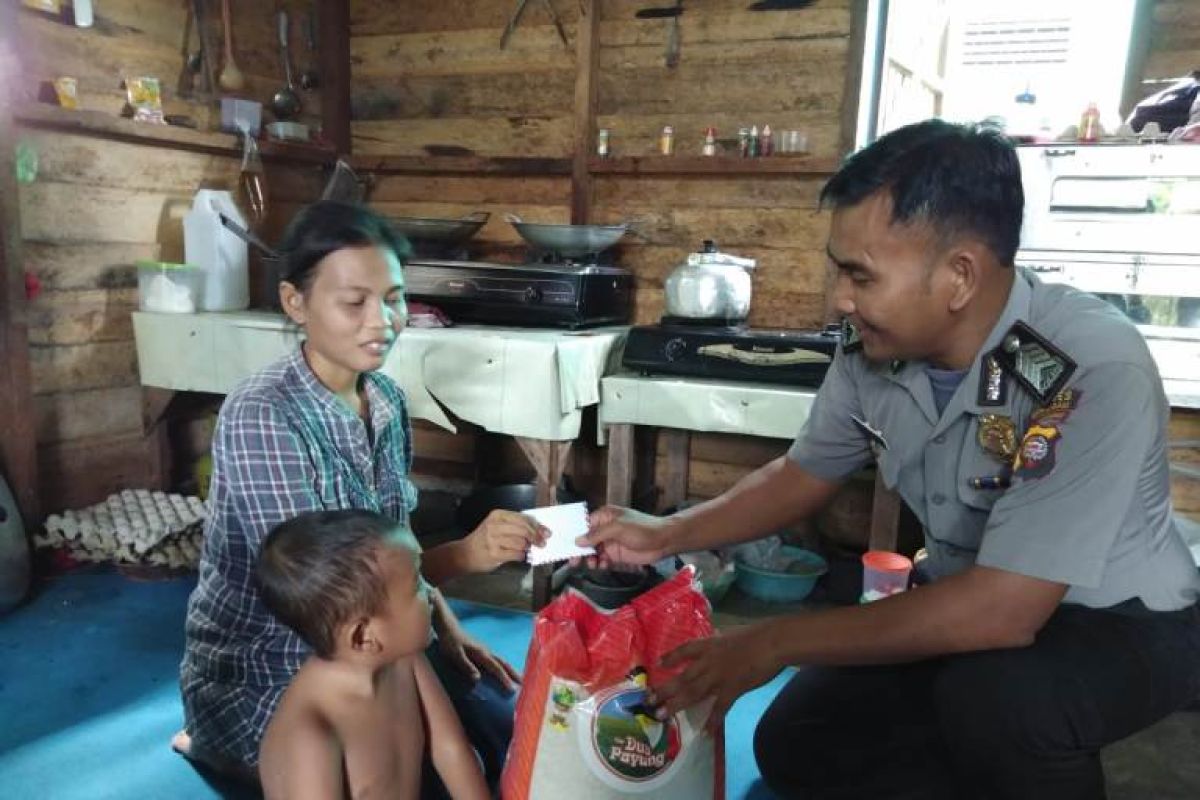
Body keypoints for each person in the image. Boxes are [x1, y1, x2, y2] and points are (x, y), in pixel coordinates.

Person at [580, 120, 1200, 800]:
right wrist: (665, 534)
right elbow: (804, 473)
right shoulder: (872, 345)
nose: (837, 298)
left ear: (959, 275)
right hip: (967, 595)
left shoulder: (1087, 367)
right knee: (797, 739)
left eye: (858, 275)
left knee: (1000, 705)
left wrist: (768, 643)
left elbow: (1003, 613)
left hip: (1121, 618)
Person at [176, 201, 547, 791]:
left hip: (378, 638)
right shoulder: (263, 414)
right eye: (354, 302)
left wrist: (448, 634)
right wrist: (468, 556)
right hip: (275, 663)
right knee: (408, 776)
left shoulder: (388, 402)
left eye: (395, 298)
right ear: (296, 302)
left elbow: (390, 546)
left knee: (512, 732)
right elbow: (332, 597)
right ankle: (214, 743)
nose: (383, 321)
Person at [256, 509, 488, 800]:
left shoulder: (404, 658)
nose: (430, 592)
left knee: (477, 762)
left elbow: (450, 748)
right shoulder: (311, 734)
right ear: (364, 636)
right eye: (417, 584)